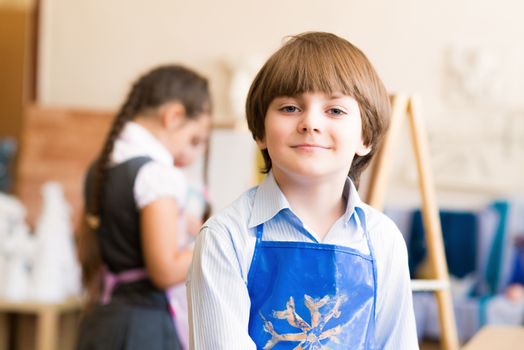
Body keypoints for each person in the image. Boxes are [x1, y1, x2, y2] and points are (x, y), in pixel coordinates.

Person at [188, 32, 418, 349]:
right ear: (260, 132)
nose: (310, 122)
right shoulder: (225, 237)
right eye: (290, 108)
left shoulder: (382, 239)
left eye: (335, 111)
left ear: (364, 138)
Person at [76, 64, 212, 350]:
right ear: (174, 116)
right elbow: (164, 270)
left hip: (101, 321)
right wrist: (212, 242)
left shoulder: (100, 168)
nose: (190, 153)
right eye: (193, 139)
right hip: (142, 329)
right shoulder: (156, 175)